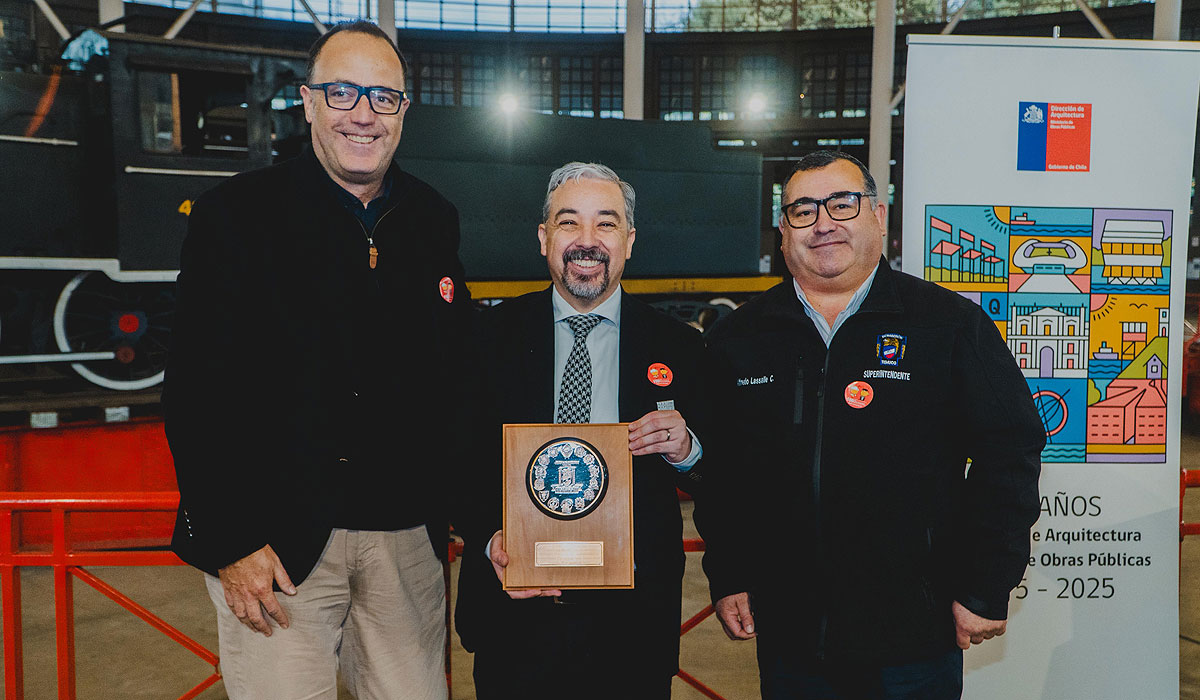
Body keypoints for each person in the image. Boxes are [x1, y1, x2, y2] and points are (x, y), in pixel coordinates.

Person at [163, 20, 472, 700]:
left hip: (406, 543)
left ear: (404, 111)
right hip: (276, 549)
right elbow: (192, 389)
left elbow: (454, 378)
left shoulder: (432, 218)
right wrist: (230, 539)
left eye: (383, 97)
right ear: (307, 102)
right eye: (342, 92)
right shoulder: (234, 217)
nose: (363, 113)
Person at [697, 150, 1043, 699]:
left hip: (914, 636)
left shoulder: (949, 326)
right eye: (803, 210)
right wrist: (730, 573)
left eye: (842, 203)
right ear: (783, 232)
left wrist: (986, 583)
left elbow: (1011, 452)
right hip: (789, 636)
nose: (824, 223)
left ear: (878, 217)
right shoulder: (739, 338)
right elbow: (722, 474)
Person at [453, 162, 708, 700]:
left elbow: (726, 472)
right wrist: (489, 539)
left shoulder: (682, 347)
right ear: (544, 238)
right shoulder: (485, 341)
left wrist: (688, 450)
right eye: (569, 223)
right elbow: (456, 463)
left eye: (607, 224)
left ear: (630, 241)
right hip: (514, 620)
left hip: (633, 628)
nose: (586, 242)